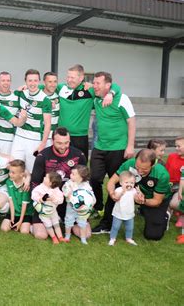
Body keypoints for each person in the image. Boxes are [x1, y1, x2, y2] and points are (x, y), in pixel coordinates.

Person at [90, 72, 135, 233]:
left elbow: (131, 122)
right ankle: (98, 206)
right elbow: (74, 84)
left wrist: (130, 146)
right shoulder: (96, 96)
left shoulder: (122, 98)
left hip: (118, 148)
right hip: (100, 146)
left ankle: (107, 223)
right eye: (94, 83)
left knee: (115, 184)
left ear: (107, 85)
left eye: (98, 83)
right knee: (94, 178)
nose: (94, 86)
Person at [56, 64, 119, 160]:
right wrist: (25, 87)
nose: (69, 80)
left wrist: (111, 93)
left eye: (72, 77)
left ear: (81, 78)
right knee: (59, 167)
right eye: (68, 77)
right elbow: (46, 86)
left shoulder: (89, 90)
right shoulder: (61, 88)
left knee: (80, 169)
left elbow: (114, 86)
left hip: (80, 138)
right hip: (61, 136)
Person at [106, 149, 171, 240]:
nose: (139, 171)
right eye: (137, 167)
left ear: (153, 165)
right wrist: (112, 194)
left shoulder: (162, 174)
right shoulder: (129, 163)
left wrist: (143, 201)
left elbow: (157, 201)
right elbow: (112, 182)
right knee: (117, 190)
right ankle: (106, 223)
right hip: (132, 193)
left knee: (153, 235)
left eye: (144, 169)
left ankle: (164, 214)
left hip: (153, 199)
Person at [31, 127, 87, 222]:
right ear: (52, 141)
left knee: (85, 233)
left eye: (66, 142)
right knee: (41, 235)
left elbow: (84, 181)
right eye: (59, 143)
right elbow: (35, 182)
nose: (63, 146)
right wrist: (40, 199)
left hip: (69, 200)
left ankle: (65, 219)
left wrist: (83, 200)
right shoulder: (43, 156)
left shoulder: (79, 155)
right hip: (49, 200)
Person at [11, 69, 52, 172]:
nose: (32, 83)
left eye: (35, 80)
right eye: (30, 80)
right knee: (15, 167)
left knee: (31, 171)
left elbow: (47, 124)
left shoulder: (45, 99)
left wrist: (43, 144)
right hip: (19, 136)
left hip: (34, 139)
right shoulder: (20, 94)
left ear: (39, 82)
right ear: (25, 81)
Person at [62, 165, 95, 244]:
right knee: (68, 220)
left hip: (83, 209)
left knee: (83, 222)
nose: (70, 175)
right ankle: (67, 235)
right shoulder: (69, 183)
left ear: (81, 177)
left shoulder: (86, 185)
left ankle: (83, 238)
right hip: (71, 207)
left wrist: (93, 201)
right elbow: (65, 192)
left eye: (73, 174)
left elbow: (91, 194)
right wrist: (69, 193)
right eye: (71, 173)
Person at [0, 160, 33, 234]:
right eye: (10, 172)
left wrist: (20, 221)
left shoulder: (26, 185)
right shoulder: (9, 182)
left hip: (25, 213)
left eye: (13, 173)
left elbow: (24, 204)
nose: (10, 174)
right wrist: (12, 218)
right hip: (14, 211)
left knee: (24, 231)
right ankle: (15, 222)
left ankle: (30, 225)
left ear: (21, 174)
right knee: (4, 228)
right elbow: (11, 201)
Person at [31, 171, 65, 244]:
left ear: (51, 183)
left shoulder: (56, 190)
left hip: (53, 211)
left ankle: (60, 237)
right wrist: (39, 198)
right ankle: (54, 237)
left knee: (56, 223)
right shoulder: (39, 188)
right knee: (48, 225)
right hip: (44, 212)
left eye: (46, 177)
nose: (44, 177)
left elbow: (61, 200)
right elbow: (33, 195)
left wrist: (54, 199)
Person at [0, 71, 20, 154]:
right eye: (3, 80)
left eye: (8, 80)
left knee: (7, 164)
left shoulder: (16, 98)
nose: (6, 83)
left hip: (9, 139)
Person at [108, 171, 138, 246]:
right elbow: (116, 198)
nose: (129, 184)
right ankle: (112, 238)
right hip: (118, 212)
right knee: (115, 226)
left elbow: (136, 198)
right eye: (126, 182)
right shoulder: (119, 190)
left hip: (129, 213)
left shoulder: (133, 190)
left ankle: (129, 238)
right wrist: (122, 193)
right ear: (121, 183)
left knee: (130, 227)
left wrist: (139, 193)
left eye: (132, 183)